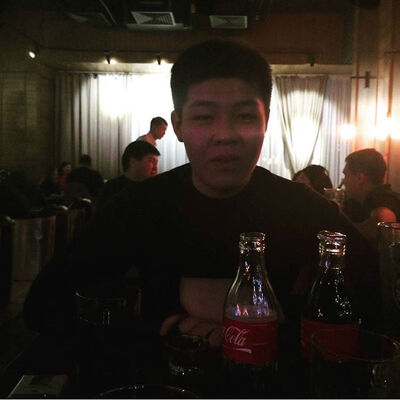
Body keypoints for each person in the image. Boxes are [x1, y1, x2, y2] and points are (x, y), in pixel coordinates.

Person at [23, 40, 380, 352]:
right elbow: (43, 305)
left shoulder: (300, 206)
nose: (225, 135)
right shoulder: (139, 205)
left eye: (244, 116)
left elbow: (377, 298)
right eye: (205, 117)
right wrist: (161, 321)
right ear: (178, 125)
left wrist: (277, 324)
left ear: (266, 121)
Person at [342, 148, 400, 244]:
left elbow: (383, 223)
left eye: (346, 175)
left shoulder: (384, 198)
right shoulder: (356, 203)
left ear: (360, 178)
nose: (343, 181)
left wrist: (338, 226)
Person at [96, 141, 160, 211]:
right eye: (151, 161)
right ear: (133, 162)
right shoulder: (112, 189)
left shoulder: (156, 189)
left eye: (156, 163)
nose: (155, 168)